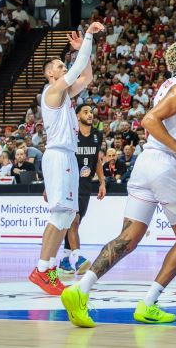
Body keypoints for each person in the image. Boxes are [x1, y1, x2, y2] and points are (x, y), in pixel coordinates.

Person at [61, 39, 176, 328]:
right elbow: (150, 120)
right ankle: (148, 304)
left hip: (145, 166)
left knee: (127, 238)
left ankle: (80, 289)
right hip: (166, 166)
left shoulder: (172, 86)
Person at [29, 21, 104, 296]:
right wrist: (87, 37)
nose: (63, 68)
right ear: (50, 74)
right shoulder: (51, 92)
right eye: (59, 66)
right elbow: (76, 71)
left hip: (67, 157)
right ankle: (42, 269)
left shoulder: (63, 94)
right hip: (59, 155)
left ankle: (47, 268)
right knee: (60, 214)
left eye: (63, 65)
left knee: (68, 214)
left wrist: (84, 51)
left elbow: (86, 78)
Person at [58, 104, 107, 277]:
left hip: (86, 185)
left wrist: (102, 181)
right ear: (77, 116)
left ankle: (64, 261)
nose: (90, 115)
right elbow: (61, 159)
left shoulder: (97, 135)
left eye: (91, 112)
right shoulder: (71, 134)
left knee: (75, 223)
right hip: (70, 183)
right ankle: (78, 258)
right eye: (86, 112)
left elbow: (97, 160)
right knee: (74, 220)